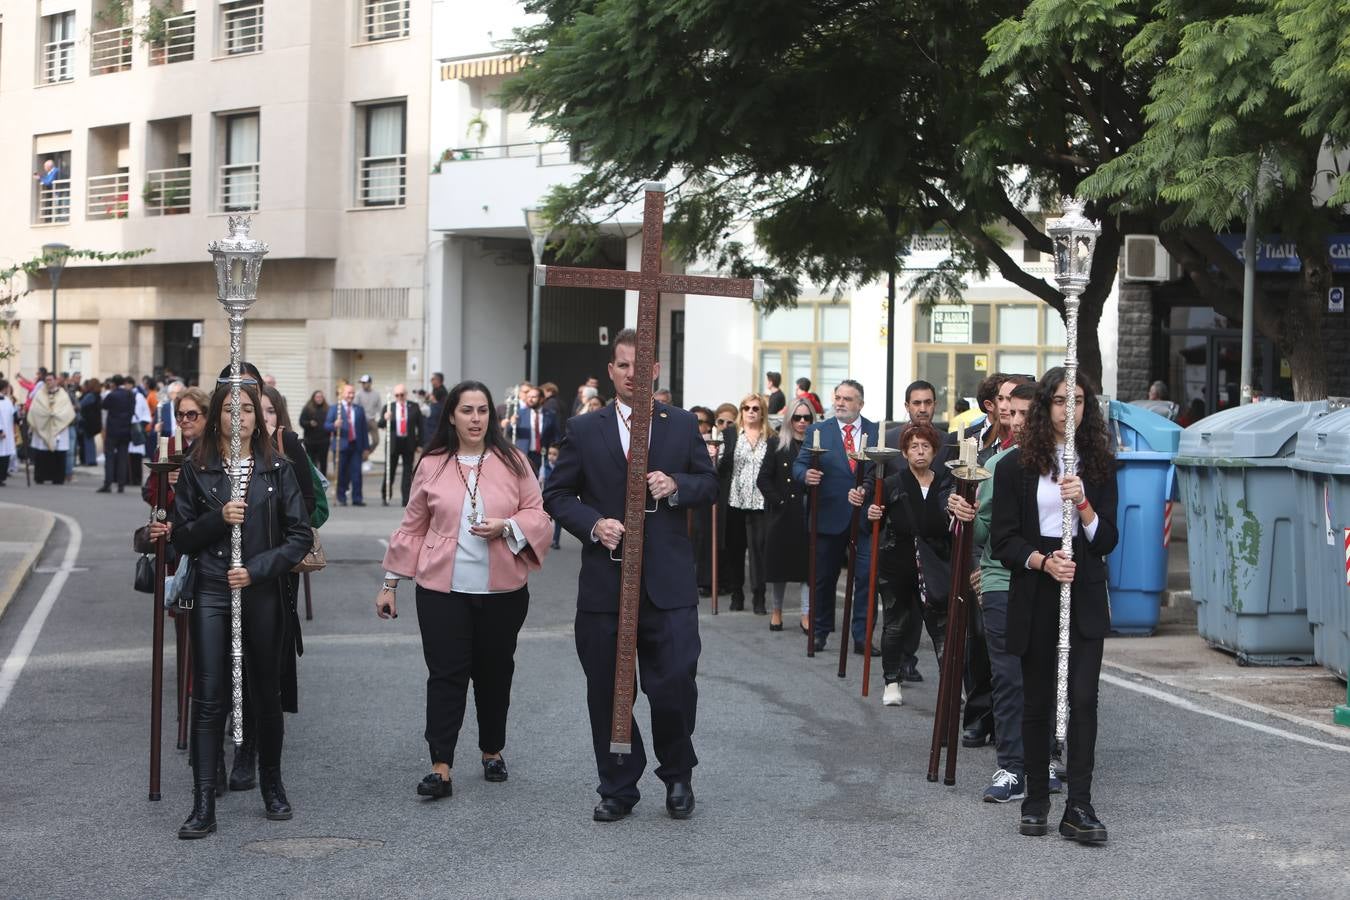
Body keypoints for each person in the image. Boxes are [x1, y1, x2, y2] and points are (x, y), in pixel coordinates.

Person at [543, 328, 717, 822]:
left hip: (668, 582)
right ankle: (618, 784)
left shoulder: (682, 425)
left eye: (640, 367)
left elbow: (709, 484)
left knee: (675, 683)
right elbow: (556, 495)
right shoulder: (583, 429)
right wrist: (594, 524)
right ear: (611, 370)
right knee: (609, 688)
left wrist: (676, 484)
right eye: (622, 366)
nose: (631, 374)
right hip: (606, 581)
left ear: (655, 370)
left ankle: (678, 772)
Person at [377, 380, 551, 800]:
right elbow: (413, 524)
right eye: (467, 411)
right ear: (451, 416)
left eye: (482, 411)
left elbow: (538, 514)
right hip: (441, 589)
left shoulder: (513, 461)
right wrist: (390, 583)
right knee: (445, 675)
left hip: (502, 591)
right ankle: (441, 767)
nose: (476, 419)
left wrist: (507, 526)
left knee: (494, 674)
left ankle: (492, 750)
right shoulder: (432, 462)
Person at [161, 381, 312, 838]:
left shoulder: (278, 469)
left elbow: (299, 536)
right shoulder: (197, 469)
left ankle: (272, 783)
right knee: (208, 698)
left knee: (266, 693)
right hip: (211, 590)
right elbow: (181, 536)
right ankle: (203, 801)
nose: (240, 417)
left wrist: (259, 568)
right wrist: (217, 518)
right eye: (230, 409)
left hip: (261, 592)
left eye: (247, 409)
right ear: (216, 417)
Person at [991, 368, 1118, 843]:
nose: (1071, 409)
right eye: (1062, 400)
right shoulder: (1014, 467)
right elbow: (1003, 540)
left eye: (1080, 400)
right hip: (1038, 590)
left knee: (1083, 699)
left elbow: (1106, 540)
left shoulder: (1100, 464)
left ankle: (1079, 805)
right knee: (1038, 699)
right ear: (1046, 405)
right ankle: (1037, 800)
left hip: (1083, 592)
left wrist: (1084, 505)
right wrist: (1042, 561)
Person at [949, 381, 1062, 802]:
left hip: (1049, 579)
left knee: (1044, 671)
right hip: (1001, 579)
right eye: (1008, 413)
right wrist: (964, 512)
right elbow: (984, 532)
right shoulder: (998, 465)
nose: (1013, 421)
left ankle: (1045, 758)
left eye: (1022, 413)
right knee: (1009, 675)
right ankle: (1013, 767)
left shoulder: (1065, 463)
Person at [862, 380, 954, 682]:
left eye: (928, 402)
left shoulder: (948, 442)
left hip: (934, 545)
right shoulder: (887, 440)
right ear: (907, 406)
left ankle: (909, 661)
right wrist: (867, 505)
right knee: (898, 613)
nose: (923, 408)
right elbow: (871, 483)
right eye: (917, 403)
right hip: (896, 541)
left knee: (928, 611)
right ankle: (894, 668)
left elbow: (951, 485)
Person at [794, 380, 878, 655]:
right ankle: (819, 631)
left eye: (848, 399)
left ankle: (862, 637)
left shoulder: (876, 432)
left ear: (860, 404)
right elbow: (800, 464)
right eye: (838, 397)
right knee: (823, 578)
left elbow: (882, 472)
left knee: (866, 578)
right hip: (827, 516)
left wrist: (867, 491)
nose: (840, 403)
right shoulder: (819, 431)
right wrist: (805, 475)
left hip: (864, 518)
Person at [757, 397, 814, 632]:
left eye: (806, 417)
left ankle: (806, 613)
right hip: (783, 514)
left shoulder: (817, 444)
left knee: (807, 568)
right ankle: (777, 611)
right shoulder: (777, 443)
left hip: (809, 513)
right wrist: (779, 502)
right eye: (797, 417)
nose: (801, 422)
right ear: (789, 418)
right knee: (779, 567)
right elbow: (763, 479)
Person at [718, 392, 774, 613]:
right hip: (735, 501)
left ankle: (759, 596)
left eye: (755, 408)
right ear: (741, 411)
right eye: (746, 408)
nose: (750, 412)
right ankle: (736, 593)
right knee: (735, 550)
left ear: (762, 413)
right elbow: (721, 468)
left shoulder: (771, 437)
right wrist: (716, 455)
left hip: (760, 503)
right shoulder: (730, 434)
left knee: (759, 551)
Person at [325, 384, 369, 506]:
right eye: (349, 393)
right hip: (341, 445)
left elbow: (364, 429)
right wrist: (334, 425)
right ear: (343, 394)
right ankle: (341, 496)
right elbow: (326, 426)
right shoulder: (335, 409)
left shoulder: (358, 409)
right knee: (341, 472)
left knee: (356, 473)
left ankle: (357, 498)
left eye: (353, 393)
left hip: (356, 445)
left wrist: (366, 447)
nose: (351, 395)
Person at [380, 384, 424, 506]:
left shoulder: (413, 407)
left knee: (407, 472)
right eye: (397, 395)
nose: (400, 397)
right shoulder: (389, 407)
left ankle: (406, 499)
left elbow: (421, 426)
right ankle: (386, 495)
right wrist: (385, 418)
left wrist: (420, 443)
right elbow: (380, 424)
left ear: (406, 394)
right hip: (393, 443)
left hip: (408, 442)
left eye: (402, 394)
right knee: (390, 470)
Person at [27, 375, 76, 485]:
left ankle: (57, 478)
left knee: (58, 454)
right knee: (42, 454)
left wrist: (56, 415)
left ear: (55, 380)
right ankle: (40, 477)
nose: (48, 382)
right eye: (46, 380)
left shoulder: (63, 394)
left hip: (59, 429)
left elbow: (67, 410)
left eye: (50, 380)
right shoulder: (40, 394)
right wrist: (44, 414)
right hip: (43, 428)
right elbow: (35, 409)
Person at [99, 376, 134, 492]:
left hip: (113, 430)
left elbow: (103, 405)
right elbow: (132, 410)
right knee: (122, 458)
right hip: (126, 430)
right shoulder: (130, 395)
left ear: (113, 383)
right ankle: (121, 484)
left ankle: (108, 483)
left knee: (109, 457)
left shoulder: (112, 395)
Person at [513, 385, 556, 475]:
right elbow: (511, 433)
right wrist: (511, 423)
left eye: (533, 397)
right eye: (528, 397)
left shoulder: (550, 415)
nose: (530, 399)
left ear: (541, 399)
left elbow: (555, 435)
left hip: (542, 456)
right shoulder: (520, 413)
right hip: (524, 454)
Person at [299, 390, 331, 478]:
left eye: (321, 397)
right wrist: (309, 423)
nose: (319, 399)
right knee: (312, 462)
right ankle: (314, 480)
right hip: (311, 441)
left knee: (323, 461)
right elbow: (301, 422)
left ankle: (323, 479)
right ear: (313, 398)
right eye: (317, 397)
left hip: (324, 441)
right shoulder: (307, 408)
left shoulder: (327, 409)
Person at [355, 374, 382, 461]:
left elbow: (379, 408)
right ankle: (360, 458)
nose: (362, 384)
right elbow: (355, 407)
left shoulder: (376, 394)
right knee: (361, 441)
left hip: (372, 420)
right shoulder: (358, 394)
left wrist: (380, 420)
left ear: (370, 383)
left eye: (364, 383)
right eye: (362, 383)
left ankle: (365, 456)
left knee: (376, 441)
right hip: (362, 421)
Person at [0, 381, 16, 486]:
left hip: (8, 432)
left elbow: (13, 413)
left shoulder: (8, 400)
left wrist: (19, 419)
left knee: (5, 455)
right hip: (2, 432)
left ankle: (2, 477)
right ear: (5, 388)